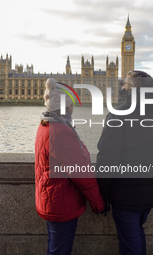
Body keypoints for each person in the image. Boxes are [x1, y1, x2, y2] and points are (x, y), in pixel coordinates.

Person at [96, 70, 153, 255]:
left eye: (126, 85)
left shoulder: (119, 114)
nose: (122, 87)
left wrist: (101, 192)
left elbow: (107, 158)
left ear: (133, 89)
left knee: (130, 244)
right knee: (136, 235)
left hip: (125, 194)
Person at [35, 78, 105, 255]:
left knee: (55, 248)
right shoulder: (61, 131)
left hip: (51, 198)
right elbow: (82, 174)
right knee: (60, 251)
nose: (73, 107)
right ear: (65, 106)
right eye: (71, 104)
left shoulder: (46, 124)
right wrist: (98, 203)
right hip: (62, 202)